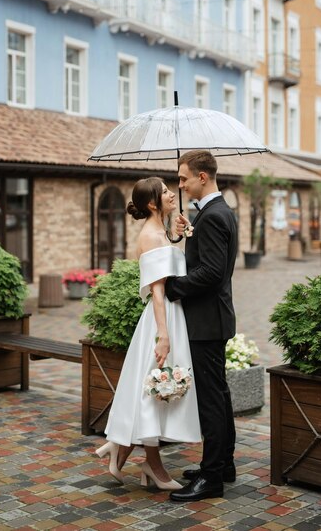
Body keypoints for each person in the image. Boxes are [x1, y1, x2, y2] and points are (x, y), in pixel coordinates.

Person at [95, 176, 201, 489]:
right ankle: (152, 465)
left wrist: (178, 237)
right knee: (154, 390)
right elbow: (158, 292)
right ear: (153, 203)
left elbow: (168, 271)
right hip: (162, 318)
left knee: (153, 389)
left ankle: (122, 447)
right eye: (166, 192)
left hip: (169, 316)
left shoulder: (161, 233)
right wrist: (164, 336)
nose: (173, 194)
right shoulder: (152, 236)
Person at [164, 150, 238, 502]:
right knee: (219, 396)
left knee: (210, 400)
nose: (180, 184)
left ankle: (211, 478)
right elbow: (206, 260)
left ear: (202, 177)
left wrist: (172, 288)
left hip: (207, 319)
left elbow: (211, 272)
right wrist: (181, 236)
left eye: (183, 178)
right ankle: (223, 465)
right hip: (214, 317)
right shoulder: (216, 212)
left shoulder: (212, 216)